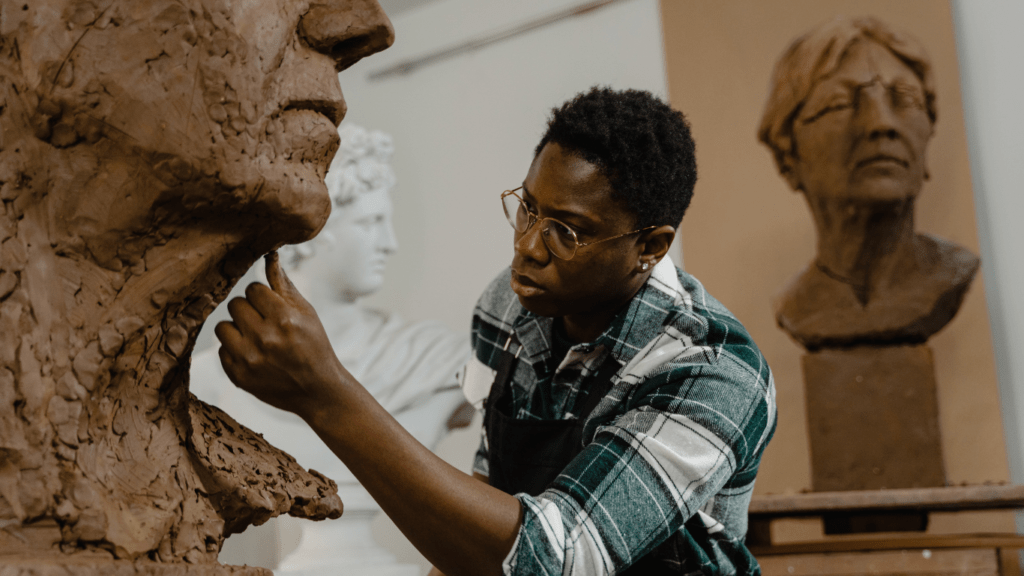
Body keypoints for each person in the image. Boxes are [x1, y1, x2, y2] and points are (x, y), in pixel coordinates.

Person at [217, 87, 776, 575]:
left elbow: (557, 557)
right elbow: (494, 490)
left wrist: (327, 394)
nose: (528, 247)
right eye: (528, 209)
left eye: (568, 231)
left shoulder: (713, 373)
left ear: (650, 247)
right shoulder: (508, 306)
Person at [192, 123, 471, 574]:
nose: (390, 243)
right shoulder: (213, 377)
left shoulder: (438, 360)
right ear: (310, 232)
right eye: (369, 222)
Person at [758, 16, 979, 350]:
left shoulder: (951, 275)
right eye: (839, 104)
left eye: (904, 99)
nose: (881, 123)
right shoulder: (795, 305)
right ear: (787, 159)